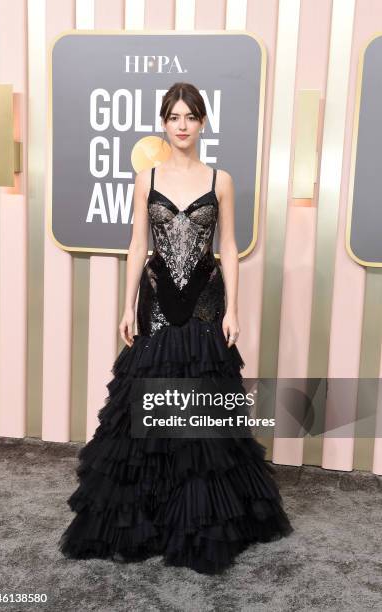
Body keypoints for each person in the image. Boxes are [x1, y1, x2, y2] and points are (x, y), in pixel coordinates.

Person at [58, 82, 293, 574]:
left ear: (203, 122)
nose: (182, 125)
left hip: (207, 304)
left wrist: (233, 308)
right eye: (173, 117)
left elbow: (228, 246)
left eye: (190, 116)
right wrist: (126, 307)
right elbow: (136, 246)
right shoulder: (145, 178)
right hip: (157, 304)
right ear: (163, 124)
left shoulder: (220, 180)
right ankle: (150, 517)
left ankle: (200, 518)